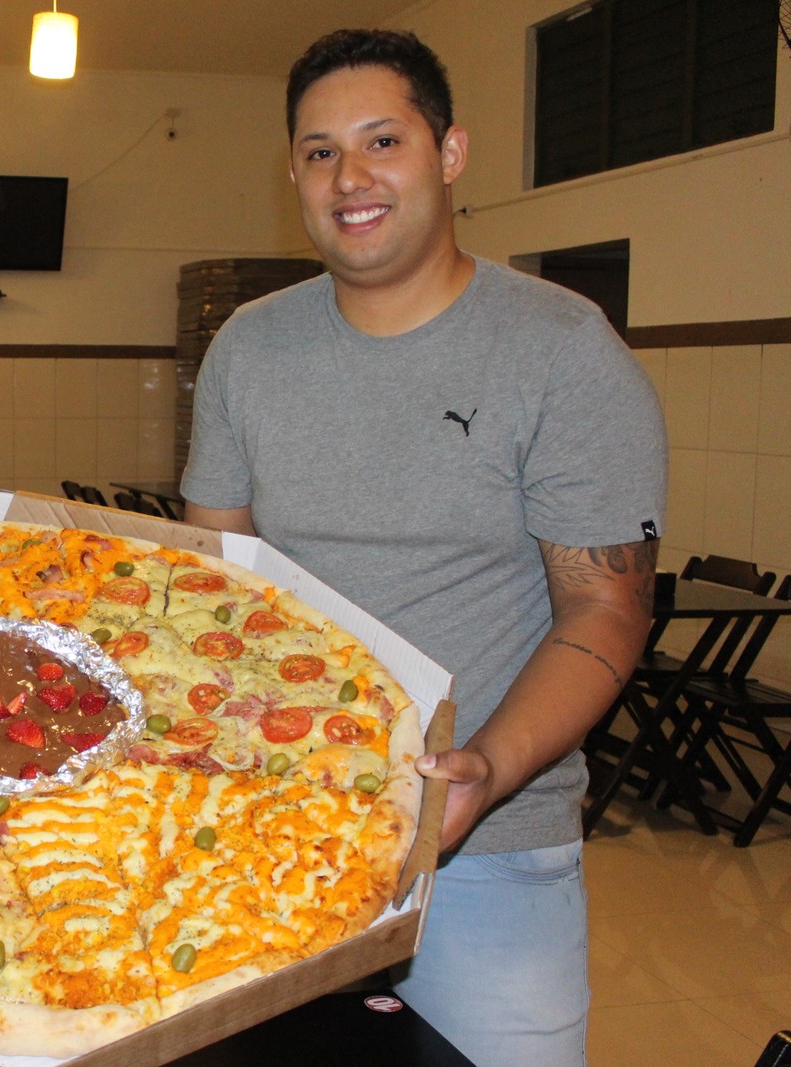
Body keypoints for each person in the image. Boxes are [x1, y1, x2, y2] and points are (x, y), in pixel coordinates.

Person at [180, 29, 666, 1067]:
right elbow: (218, 586)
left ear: (448, 154)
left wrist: (484, 766)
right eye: (317, 152)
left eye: (381, 140)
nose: (348, 177)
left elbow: (605, 608)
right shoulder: (248, 348)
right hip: (276, 828)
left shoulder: (559, 349)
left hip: (487, 847)